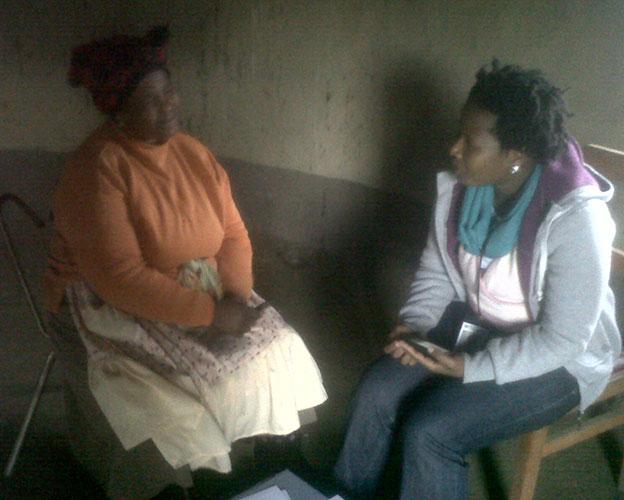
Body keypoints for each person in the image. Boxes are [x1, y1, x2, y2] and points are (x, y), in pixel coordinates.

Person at [43, 26, 327, 498]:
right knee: (160, 399)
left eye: (169, 91)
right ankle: (190, 483)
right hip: (108, 302)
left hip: (202, 285)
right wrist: (213, 315)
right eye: (151, 101)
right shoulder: (97, 170)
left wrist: (234, 297)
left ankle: (279, 461)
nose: (170, 105)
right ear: (118, 111)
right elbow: (120, 279)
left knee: (276, 345)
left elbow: (233, 234)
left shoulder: (193, 153)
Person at [334, 61, 621, 499]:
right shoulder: (461, 189)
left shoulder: (577, 218)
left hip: (561, 355)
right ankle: (343, 494)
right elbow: (437, 271)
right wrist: (417, 324)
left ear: (515, 156)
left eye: (470, 143)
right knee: (378, 389)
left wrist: (474, 366)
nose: (454, 149)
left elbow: (564, 338)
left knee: (431, 430)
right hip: (484, 320)